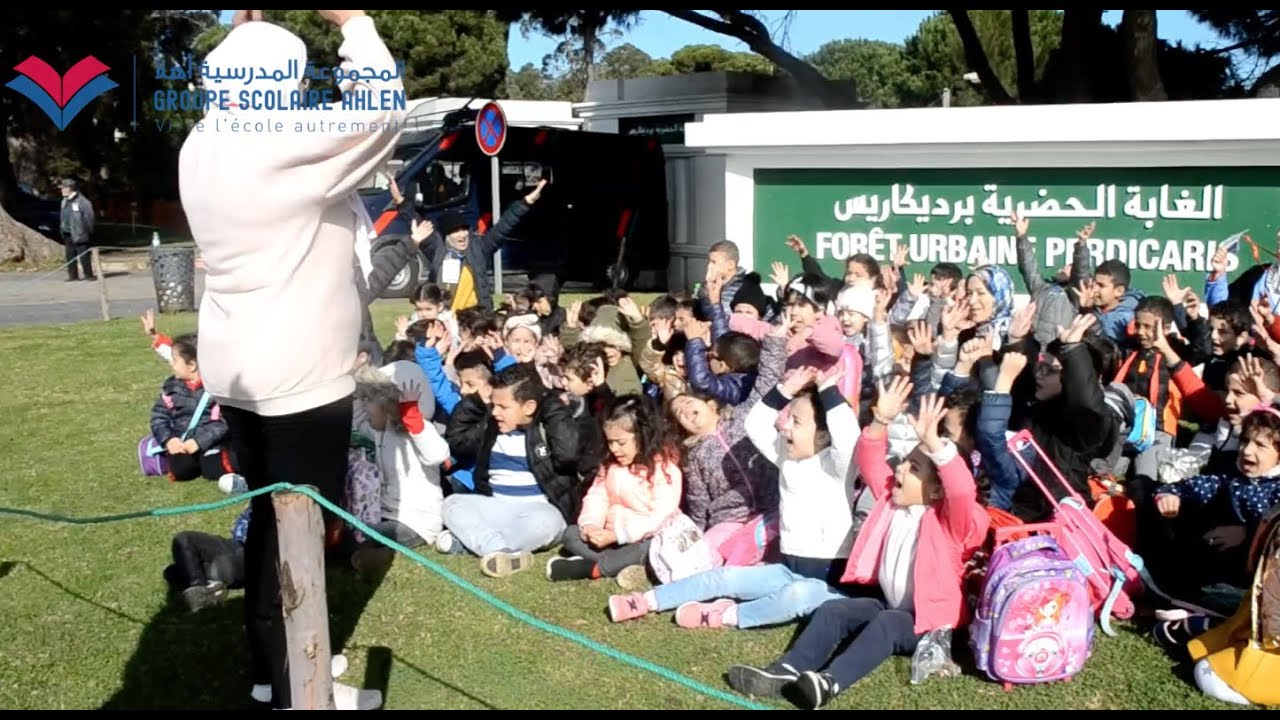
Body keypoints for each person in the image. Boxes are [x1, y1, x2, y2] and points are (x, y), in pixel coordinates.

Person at [177, 9, 405, 711]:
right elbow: (382, 112)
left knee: (269, 521)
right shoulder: (274, 144)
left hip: (243, 365)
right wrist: (355, 23)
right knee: (299, 532)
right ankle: (299, 691)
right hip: (297, 374)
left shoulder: (203, 140)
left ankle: (269, 670)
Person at [418, 180, 547, 312]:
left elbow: (502, 227)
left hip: (476, 318)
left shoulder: (479, 248)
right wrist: (404, 204)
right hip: (446, 317)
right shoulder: (438, 251)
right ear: (446, 236)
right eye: (455, 231)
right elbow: (415, 222)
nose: (462, 234)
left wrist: (525, 203)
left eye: (464, 229)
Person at [59, 178, 95, 282]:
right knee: (70, 255)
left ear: (71, 188)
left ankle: (88, 275)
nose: (62, 190)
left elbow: (89, 218)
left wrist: (87, 231)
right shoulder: (64, 201)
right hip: (67, 232)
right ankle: (73, 275)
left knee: (84, 255)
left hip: (80, 233)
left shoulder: (83, 201)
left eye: (64, 188)